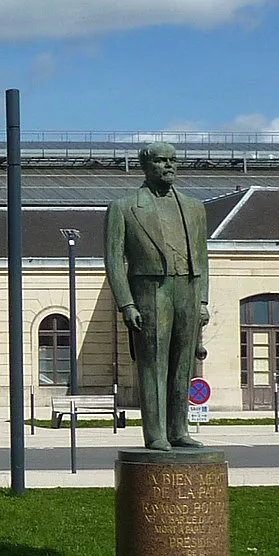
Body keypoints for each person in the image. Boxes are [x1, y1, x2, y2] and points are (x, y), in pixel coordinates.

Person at [104, 142, 210, 450]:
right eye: (161, 161)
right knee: (153, 363)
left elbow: (202, 259)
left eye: (173, 160)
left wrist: (202, 299)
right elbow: (114, 259)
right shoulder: (124, 207)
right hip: (150, 289)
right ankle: (157, 434)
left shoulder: (194, 208)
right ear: (146, 166)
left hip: (187, 289)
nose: (169, 166)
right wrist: (126, 303)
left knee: (183, 364)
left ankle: (179, 430)